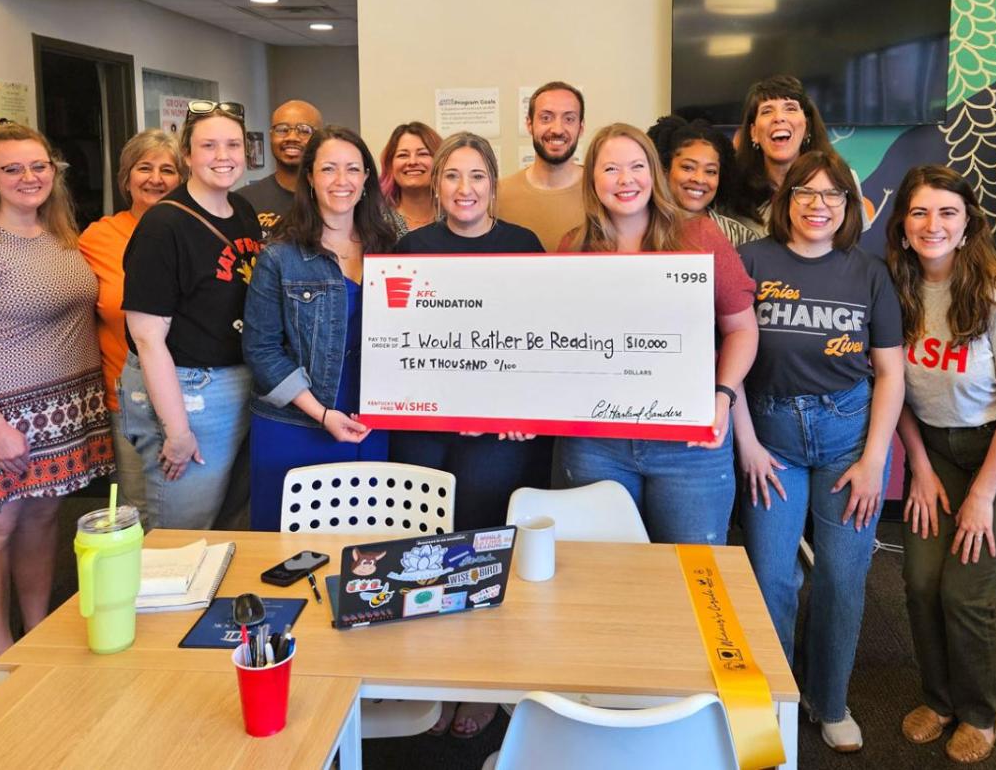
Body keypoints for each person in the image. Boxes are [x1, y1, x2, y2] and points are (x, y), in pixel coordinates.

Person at [0, 121, 114, 692]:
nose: (28, 178)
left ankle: (37, 635)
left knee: (39, 522)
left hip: (58, 409)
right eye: (12, 169)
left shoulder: (60, 234)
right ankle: (1, 661)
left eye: (38, 166)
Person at [886, 165, 996, 764]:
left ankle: (981, 713)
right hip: (934, 450)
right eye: (919, 213)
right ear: (903, 227)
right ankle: (939, 700)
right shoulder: (895, 288)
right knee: (920, 579)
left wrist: (981, 495)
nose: (933, 224)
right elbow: (893, 390)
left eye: (947, 213)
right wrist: (921, 467)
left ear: (967, 227)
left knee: (965, 588)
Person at [734, 150, 904, 753]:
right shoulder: (751, 260)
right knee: (772, 578)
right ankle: (777, 698)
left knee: (841, 576)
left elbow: (890, 373)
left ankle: (829, 699)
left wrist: (872, 462)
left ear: (848, 206)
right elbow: (725, 356)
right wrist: (746, 443)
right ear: (786, 201)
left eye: (832, 195)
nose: (818, 205)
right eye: (805, 192)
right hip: (768, 438)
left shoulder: (869, 273)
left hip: (846, 440)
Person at [390, 131, 548, 739]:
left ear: (493, 185)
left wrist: (521, 407)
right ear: (437, 186)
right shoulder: (410, 249)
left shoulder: (523, 247)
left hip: (500, 435)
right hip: (426, 431)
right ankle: (431, 683)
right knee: (426, 555)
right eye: (452, 176)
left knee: (483, 554)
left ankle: (480, 686)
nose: (464, 189)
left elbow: (538, 340)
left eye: (476, 176)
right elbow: (397, 347)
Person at [553, 123, 758, 545]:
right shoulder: (573, 248)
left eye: (636, 166)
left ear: (654, 173)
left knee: (693, 575)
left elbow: (742, 329)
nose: (625, 179)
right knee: (604, 573)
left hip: (689, 444)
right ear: (592, 179)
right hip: (597, 445)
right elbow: (554, 343)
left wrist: (723, 397)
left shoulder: (698, 237)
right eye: (610, 169)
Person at [243, 126, 396, 532]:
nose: (341, 181)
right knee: (288, 554)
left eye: (352, 169)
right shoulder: (280, 255)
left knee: (365, 545)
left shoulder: (391, 249)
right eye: (328, 169)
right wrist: (321, 413)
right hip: (296, 423)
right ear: (309, 177)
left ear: (367, 179)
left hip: (370, 422)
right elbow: (260, 349)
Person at [120, 101, 262, 530]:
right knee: (180, 537)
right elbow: (146, 338)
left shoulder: (242, 211)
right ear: (187, 155)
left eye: (233, 144)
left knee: (225, 527)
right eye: (209, 145)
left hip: (237, 381)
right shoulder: (164, 226)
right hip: (188, 391)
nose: (223, 156)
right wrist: (177, 431)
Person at [78, 129, 186, 529]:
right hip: (129, 399)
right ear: (127, 179)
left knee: (191, 513)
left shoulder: (191, 231)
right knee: (137, 514)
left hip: (196, 396)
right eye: (145, 168)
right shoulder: (97, 238)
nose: (155, 178)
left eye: (168, 169)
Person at [732, 75, 836, 236]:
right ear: (754, 133)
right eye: (767, 111)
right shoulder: (732, 191)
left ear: (807, 127)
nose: (779, 118)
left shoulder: (840, 180)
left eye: (790, 108)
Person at [498, 81, 587, 251]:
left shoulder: (601, 191)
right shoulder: (498, 194)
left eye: (569, 119)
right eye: (546, 118)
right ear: (529, 124)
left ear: (581, 127)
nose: (557, 129)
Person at [646, 115, 758, 247]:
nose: (699, 179)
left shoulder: (742, 237)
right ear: (664, 170)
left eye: (710, 171)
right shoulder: (641, 231)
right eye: (688, 167)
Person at [237, 99, 323, 238]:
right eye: (282, 129)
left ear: (320, 138)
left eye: (304, 130)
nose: (292, 137)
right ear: (271, 136)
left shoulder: (333, 198)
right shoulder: (243, 200)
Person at [378, 121, 442, 238]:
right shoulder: (377, 222)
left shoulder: (454, 219)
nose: (412, 162)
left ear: (440, 162)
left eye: (423, 154)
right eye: (403, 155)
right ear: (390, 164)